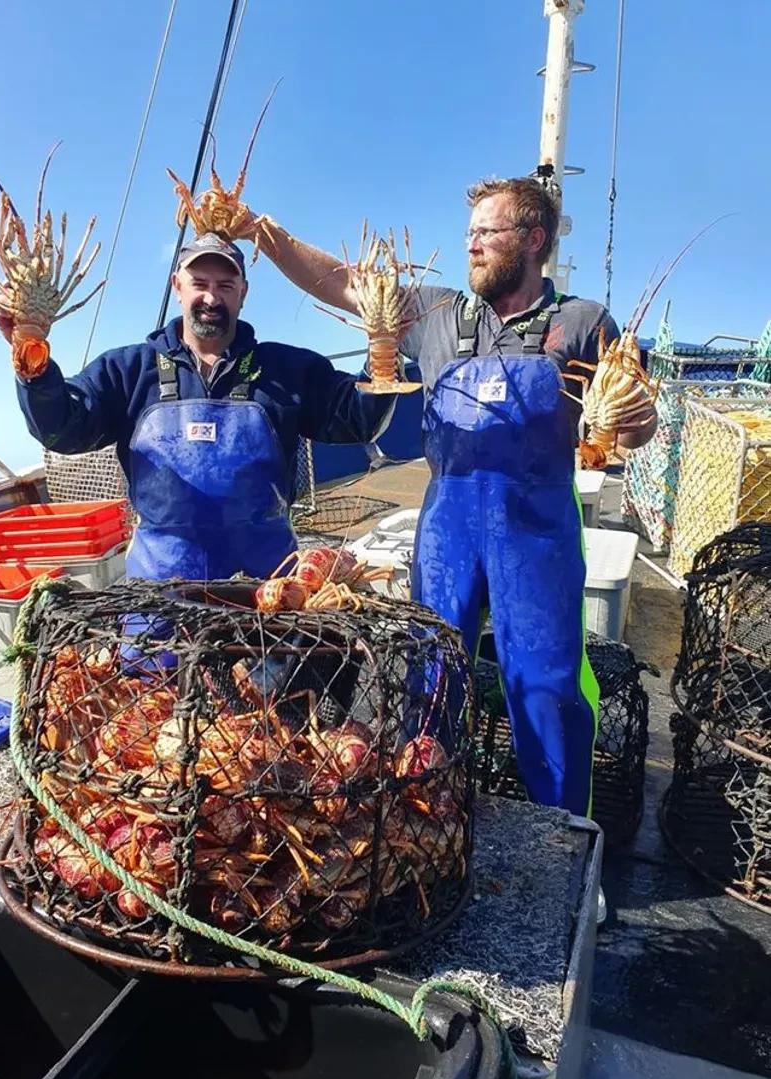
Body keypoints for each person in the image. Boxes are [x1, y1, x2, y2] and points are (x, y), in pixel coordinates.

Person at [244, 177, 657, 818]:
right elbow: (340, 281)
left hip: (539, 526)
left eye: (486, 234)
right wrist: (259, 232)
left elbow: (635, 422)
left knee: (546, 688)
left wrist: (629, 419)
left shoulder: (583, 322)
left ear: (533, 239)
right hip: (448, 525)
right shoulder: (436, 312)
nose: (471, 247)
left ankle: (568, 834)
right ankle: (424, 823)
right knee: (428, 674)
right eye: (469, 235)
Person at [0, 232, 395, 582]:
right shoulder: (128, 370)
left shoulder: (288, 370)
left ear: (243, 293)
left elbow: (358, 420)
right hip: (159, 592)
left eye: (225, 285)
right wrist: (31, 356)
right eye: (199, 282)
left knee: (275, 674)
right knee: (147, 675)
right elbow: (62, 428)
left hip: (269, 591)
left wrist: (383, 347)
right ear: (177, 286)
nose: (211, 297)